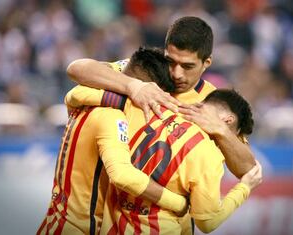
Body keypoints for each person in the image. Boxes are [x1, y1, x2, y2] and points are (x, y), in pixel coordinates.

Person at [66, 16, 255, 179]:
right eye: (171, 61)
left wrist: (220, 130)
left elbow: (248, 169)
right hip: (118, 210)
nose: (176, 73)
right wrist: (134, 86)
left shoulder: (214, 101)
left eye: (187, 66)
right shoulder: (146, 72)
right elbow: (77, 68)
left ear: (207, 63)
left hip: (170, 216)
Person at [70, 83, 262, 234]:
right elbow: (207, 222)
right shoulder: (209, 155)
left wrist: (132, 85)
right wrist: (244, 188)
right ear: (228, 121)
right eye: (232, 136)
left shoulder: (153, 108)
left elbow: (77, 94)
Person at [37, 48, 188, 235]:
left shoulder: (93, 92)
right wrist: (180, 204)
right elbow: (122, 175)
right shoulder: (112, 117)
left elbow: (73, 95)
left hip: (58, 220)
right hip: (80, 227)